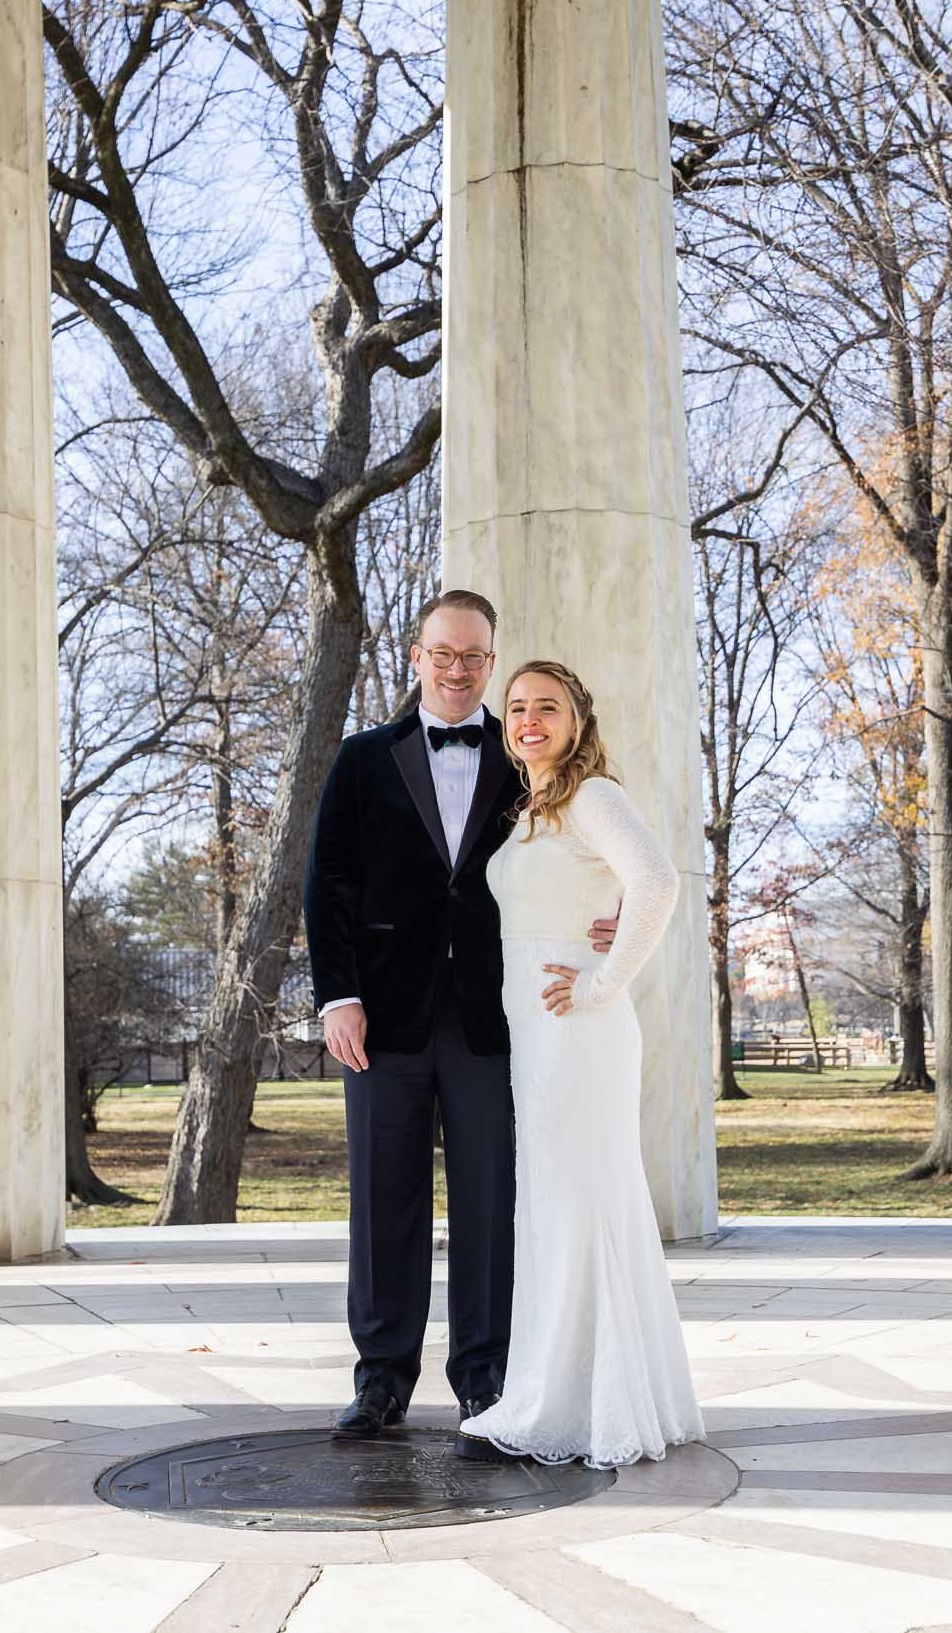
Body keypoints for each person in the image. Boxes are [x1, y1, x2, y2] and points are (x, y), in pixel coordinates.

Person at [301, 590, 618, 1441]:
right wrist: (339, 996)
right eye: (443, 653)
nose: (457, 669)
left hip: (496, 1018)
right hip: (382, 1017)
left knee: (490, 1200)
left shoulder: (529, 764)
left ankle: (484, 1376)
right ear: (416, 657)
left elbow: (597, 848)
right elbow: (326, 883)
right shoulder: (362, 759)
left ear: (490, 658)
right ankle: (381, 1379)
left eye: (475, 656)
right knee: (383, 1200)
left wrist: (614, 914)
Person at [458, 659, 704, 1469]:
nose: (530, 720)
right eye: (518, 708)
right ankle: (562, 1392)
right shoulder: (531, 806)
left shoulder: (592, 794)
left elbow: (658, 880)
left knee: (576, 1202)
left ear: (577, 719)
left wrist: (602, 981)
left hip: (577, 1028)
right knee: (557, 1204)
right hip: (534, 1033)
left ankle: (576, 1408)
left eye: (548, 707)